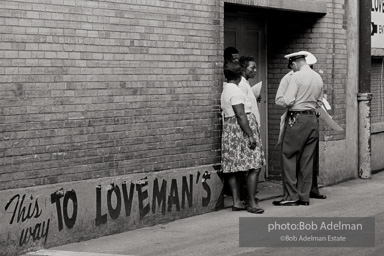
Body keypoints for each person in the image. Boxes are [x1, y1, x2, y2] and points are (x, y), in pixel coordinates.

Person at [273, 51, 324, 206]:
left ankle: (291, 196)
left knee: (288, 156)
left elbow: (288, 100)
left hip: (297, 119)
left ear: (294, 64)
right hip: (312, 119)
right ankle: (304, 196)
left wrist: (280, 101)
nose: (292, 70)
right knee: (307, 160)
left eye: (292, 67)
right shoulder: (318, 77)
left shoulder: (296, 76)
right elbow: (319, 102)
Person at [221, 61, 266, 214]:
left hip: (231, 129)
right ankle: (252, 203)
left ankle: (236, 202)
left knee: (234, 168)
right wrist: (251, 135)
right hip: (241, 128)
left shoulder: (226, 89)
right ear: (239, 75)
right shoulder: (236, 91)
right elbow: (241, 115)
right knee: (254, 166)